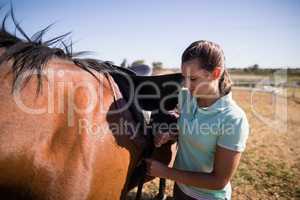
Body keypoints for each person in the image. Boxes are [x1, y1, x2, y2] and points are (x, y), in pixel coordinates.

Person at [145, 40, 250, 200]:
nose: (186, 84)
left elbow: (218, 181)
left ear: (216, 73)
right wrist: (170, 134)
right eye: (184, 77)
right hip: (180, 189)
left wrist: (166, 172)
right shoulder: (186, 97)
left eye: (193, 79)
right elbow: (192, 130)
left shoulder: (233, 119)